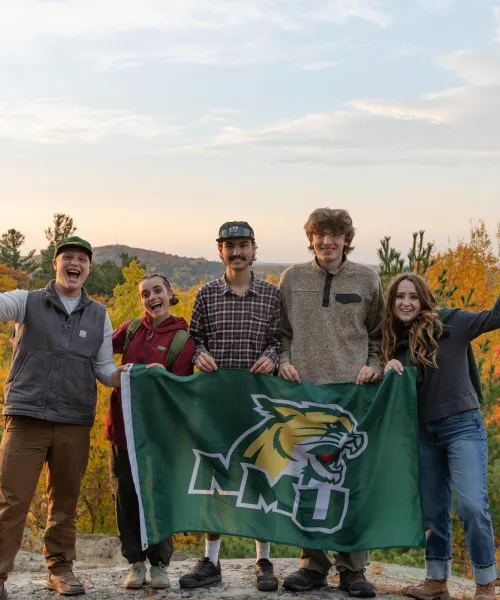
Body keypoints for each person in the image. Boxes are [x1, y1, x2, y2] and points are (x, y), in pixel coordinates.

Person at [0, 236, 125, 599]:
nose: (75, 264)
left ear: (88, 268)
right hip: (25, 419)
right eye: (67, 257)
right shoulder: (26, 301)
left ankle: (60, 570)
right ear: (55, 264)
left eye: (82, 260)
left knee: (65, 502)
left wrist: (127, 376)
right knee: (11, 500)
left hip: (73, 421)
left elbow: (103, 368)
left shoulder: (100, 314)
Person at [279, 208, 383, 596]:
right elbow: (282, 332)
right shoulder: (292, 279)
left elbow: (378, 334)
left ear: (346, 239)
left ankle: (353, 569)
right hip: (305, 396)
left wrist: (373, 365)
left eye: (334, 235)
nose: (326, 241)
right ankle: (312, 565)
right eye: (319, 235)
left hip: (352, 396)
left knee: (350, 481)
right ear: (311, 238)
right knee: (307, 481)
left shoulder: (367, 279)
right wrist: (285, 361)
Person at [382, 273, 499, 600]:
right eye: (399, 297)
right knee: (433, 511)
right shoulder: (393, 342)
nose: (406, 303)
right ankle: (436, 581)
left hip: (462, 425)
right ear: (392, 304)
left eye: (413, 297)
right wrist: (386, 369)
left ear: (424, 300)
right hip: (423, 432)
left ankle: (486, 585)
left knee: (472, 506)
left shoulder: (453, 323)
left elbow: (496, 317)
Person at [179, 221, 281, 592]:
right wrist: (201, 354)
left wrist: (271, 357)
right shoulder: (206, 294)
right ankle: (212, 560)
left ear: (254, 248)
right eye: (229, 246)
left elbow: (278, 339)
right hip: (216, 404)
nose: (236, 252)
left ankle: (264, 560)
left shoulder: (271, 295)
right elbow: (195, 337)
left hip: (259, 405)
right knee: (216, 480)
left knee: (261, 479)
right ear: (219, 250)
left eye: (243, 245)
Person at [105, 272, 196, 591]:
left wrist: (164, 377)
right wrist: (112, 375)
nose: (151, 297)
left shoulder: (184, 338)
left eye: (157, 291)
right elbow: (98, 352)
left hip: (161, 434)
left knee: (159, 495)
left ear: (170, 295)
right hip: (123, 430)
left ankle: (159, 563)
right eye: (145, 293)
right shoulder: (129, 329)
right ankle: (135, 562)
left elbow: (187, 387)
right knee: (126, 495)